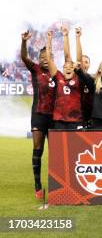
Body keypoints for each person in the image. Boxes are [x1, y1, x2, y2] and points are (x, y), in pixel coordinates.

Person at [21, 30, 56, 199]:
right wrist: (24, 42)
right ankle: (37, 185)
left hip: (55, 117)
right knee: (38, 149)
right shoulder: (35, 70)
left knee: (56, 152)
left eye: (47, 57)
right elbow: (25, 58)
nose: (44, 59)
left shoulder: (58, 73)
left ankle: (58, 185)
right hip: (39, 115)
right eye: (42, 57)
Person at [46, 28, 83, 129]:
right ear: (62, 69)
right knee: (60, 144)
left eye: (71, 67)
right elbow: (49, 59)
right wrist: (49, 40)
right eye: (66, 67)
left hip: (75, 119)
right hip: (60, 119)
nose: (68, 68)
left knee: (75, 145)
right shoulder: (58, 76)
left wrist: (77, 38)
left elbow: (78, 59)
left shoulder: (77, 77)